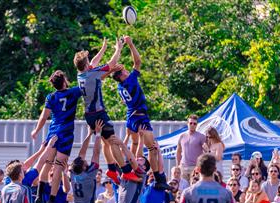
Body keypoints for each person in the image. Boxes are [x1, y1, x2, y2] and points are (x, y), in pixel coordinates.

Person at [74, 37, 140, 184]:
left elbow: (95, 65)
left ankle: (111, 169)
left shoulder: (81, 75)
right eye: (88, 61)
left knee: (106, 142)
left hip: (89, 115)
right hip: (98, 113)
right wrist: (118, 48)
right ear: (86, 65)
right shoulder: (91, 73)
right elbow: (111, 63)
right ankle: (126, 171)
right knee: (113, 141)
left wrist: (103, 49)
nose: (91, 62)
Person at [109, 36, 167, 189]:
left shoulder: (119, 87)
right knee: (153, 148)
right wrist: (131, 44)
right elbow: (138, 62)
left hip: (131, 117)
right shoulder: (130, 81)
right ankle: (159, 179)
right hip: (140, 117)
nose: (127, 71)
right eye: (124, 70)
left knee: (135, 145)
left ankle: (128, 170)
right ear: (121, 76)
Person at [30, 70, 82, 203]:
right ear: (65, 80)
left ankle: (39, 195)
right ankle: (51, 201)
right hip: (66, 133)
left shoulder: (51, 97)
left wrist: (36, 130)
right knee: (59, 167)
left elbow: (44, 116)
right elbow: (89, 82)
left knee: (47, 164)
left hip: (53, 132)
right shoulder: (73, 92)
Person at [176, 115, 206, 182]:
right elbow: (178, 151)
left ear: (197, 125)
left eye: (194, 123)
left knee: (194, 189)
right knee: (183, 188)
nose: (192, 125)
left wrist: (200, 166)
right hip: (183, 167)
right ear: (187, 124)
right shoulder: (182, 136)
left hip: (195, 167)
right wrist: (178, 165)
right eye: (190, 123)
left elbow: (205, 153)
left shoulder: (201, 137)